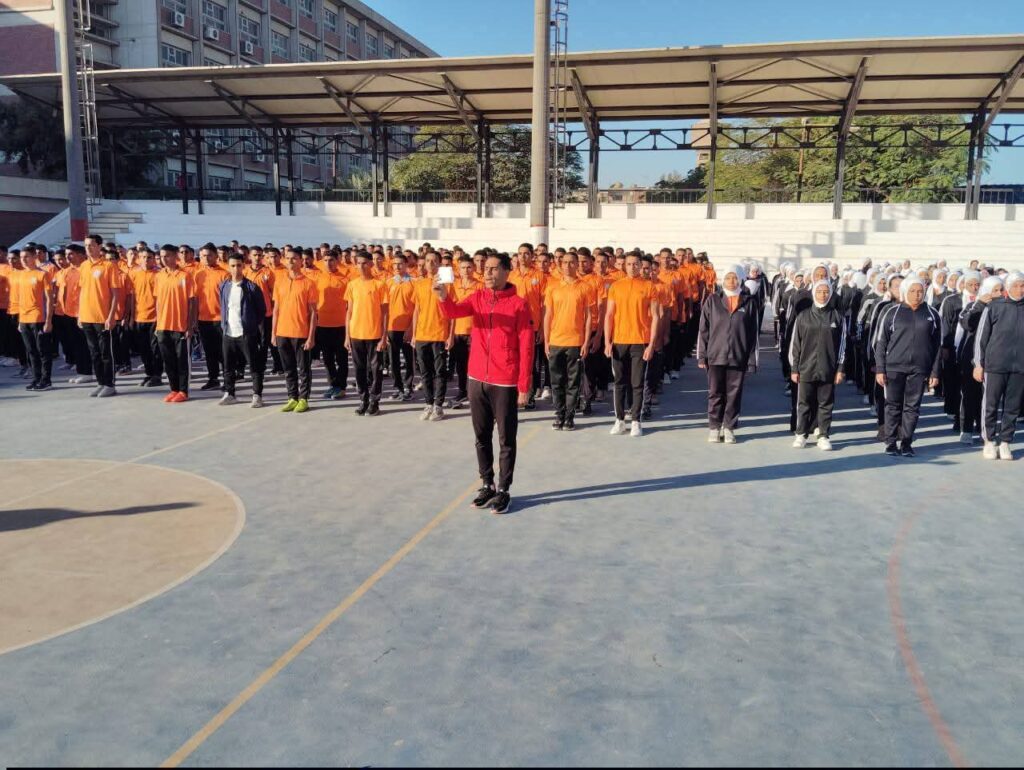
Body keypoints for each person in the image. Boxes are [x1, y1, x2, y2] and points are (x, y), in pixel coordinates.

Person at [437, 253, 533, 514]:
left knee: (506, 439)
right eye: (486, 268)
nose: (487, 273)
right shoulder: (477, 297)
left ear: (506, 271)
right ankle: (487, 484)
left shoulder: (519, 305)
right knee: (481, 436)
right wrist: (443, 296)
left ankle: (504, 489)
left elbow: (526, 346)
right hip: (477, 377)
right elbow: (454, 312)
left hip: (505, 380)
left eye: (493, 268)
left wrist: (524, 385)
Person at [875, 276, 942, 457]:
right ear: (905, 291)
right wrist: (880, 369)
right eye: (912, 291)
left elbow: (937, 346)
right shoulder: (892, 312)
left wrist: (935, 372)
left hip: (919, 369)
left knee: (912, 407)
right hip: (894, 368)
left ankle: (906, 443)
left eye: (920, 291)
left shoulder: (932, 314)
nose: (916, 295)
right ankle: (890, 442)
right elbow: (881, 343)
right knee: (892, 406)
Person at [697, 264, 760, 444]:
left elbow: (753, 334)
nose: (731, 281)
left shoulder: (749, 302)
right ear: (722, 280)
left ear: (741, 279)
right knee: (715, 393)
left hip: (738, 356)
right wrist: (702, 355)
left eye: (735, 278)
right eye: (728, 278)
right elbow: (703, 330)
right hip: (715, 355)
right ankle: (714, 427)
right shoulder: (713, 300)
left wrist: (752, 360)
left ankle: (729, 427)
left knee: (734, 394)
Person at [605, 253, 661, 437]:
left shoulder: (649, 286)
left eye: (635, 264)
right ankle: (619, 420)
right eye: (628, 264)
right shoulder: (616, 286)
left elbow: (655, 317)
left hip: (640, 341)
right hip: (619, 341)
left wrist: (651, 344)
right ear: (624, 266)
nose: (632, 267)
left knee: (637, 383)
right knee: (619, 382)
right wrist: (607, 341)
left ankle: (636, 420)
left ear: (640, 266)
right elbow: (609, 315)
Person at [789, 280, 847, 451]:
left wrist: (840, 369)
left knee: (826, 403)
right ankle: (801, 434)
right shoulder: (803, 316)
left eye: (826, 291)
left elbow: (843, 345)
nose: (823, 295)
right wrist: (794, 368)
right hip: (805, 368)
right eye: (820, 291)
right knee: (804, 403)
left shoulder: (837, 317)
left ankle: (823, 435)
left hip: (828, 368)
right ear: (814, 292)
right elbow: (796, 344)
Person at [974, 271, 1024, 460]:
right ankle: (989, 440)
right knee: (990, 404)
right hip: (995, 365)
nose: (1020, 290)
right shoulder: (994, 307)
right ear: (1007, 288)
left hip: (1019, 367)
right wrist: (978, 364)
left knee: (1012, 407)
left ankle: (1005, 442)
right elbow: (981, 337)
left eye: (1023, 286)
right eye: (1016, 286)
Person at [543, 251, 594, 431]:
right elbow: (548, 315)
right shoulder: (552, 287)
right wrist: (547, 341)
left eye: (571, 262)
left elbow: (588, 317)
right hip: (556, 341)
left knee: (573, 382)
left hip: (575, 342)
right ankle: (559, 413)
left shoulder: (585, 287)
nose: (567, 266)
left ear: (577, 264)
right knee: (557, 381)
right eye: (564, 262)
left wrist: (586, 341)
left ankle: (569, 416)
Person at [957, 276, 1004, 443]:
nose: (999, 293)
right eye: (995, 290)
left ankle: (985, 430)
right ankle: (966, 429)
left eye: (1001, 290)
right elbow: (966, 323)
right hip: (971, 357)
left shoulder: (1004, 307)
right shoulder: (973, 305)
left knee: (989, 397)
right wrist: (980, 304)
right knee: (969, 394)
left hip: (993, 358)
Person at [271, 249, 318, 413]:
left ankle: (304, 398)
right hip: (282, 332)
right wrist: (274, 333)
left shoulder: (309, 283)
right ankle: (292, 397)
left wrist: (311, 337)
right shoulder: (280, 281)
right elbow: (276, 310)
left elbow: (313, 313)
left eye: (294, 258)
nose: (290, 261)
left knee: (303, 369)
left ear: (300, 261)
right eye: (288, 258)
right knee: (288, 368)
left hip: (301, 333)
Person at [344, 251, 389, 416]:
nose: (361, 266)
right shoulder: (352, 284)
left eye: (364, 263)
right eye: (358, 263)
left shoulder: (379, 285)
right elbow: (349, 312)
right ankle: (363, 400)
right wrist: (347, 336)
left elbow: (385, 313)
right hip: (356, 334)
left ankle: (374, 402)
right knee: (359, 370)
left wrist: (383, 337)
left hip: (374, 334)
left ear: (371, 264)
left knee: (376, 370)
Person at [77, 234, 122, 397]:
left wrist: (111, 316)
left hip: (103, 317)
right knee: (94, 353)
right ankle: (100, 382)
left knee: (105, 353)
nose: (88, 248)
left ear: (99, 246)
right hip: (86, 316)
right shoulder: (83, 266)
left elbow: (116, 294)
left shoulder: (109, 266)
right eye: (86, 245)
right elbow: (82, 291)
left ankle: (110, 384)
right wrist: (79, 314)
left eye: (91, 245)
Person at [411, 251, 453, 421]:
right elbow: (416, 310)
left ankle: (438, 406)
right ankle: (428, 404)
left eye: (434, 261)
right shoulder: (419, 283)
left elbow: (452, 311)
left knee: (440, 372)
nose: (430, 264)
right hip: (422, 335)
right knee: (425, 373)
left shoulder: (447, 283)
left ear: (439, 263)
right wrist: (414, 334)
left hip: (439, 334)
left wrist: (450, 335)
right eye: (428, 261)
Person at [154, 245, 197, 402]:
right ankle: (174, 389)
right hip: (163, 326)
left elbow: (192, 301)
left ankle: (183, 391)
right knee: (168, 360)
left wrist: (190, 325)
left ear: (175, 256)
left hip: (180, 326)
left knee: (181, 360)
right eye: (162, 256)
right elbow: (158, 301)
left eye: (167, 256)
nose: (164, 259)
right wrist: (157, 323)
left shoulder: (185, 276)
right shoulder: (159, 276)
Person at [13, 246, 55, 391]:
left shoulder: (42, 274)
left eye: (26, 257)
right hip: (24, 319)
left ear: (34, 257)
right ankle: (36, 378)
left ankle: (46, 380)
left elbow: (49, 299)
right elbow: (20, 299)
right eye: (21, 257)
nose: (23, 260)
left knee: (42, 350)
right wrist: (20, 320)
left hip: (38, 317)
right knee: (31, 351)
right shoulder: (21, 275)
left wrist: (48, 320)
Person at [313, 252, 349, 400]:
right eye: (326, 260)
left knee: (341, 359)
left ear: (337, 261)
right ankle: (333, 385)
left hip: (340, 324)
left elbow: (350, 304)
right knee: (327, 359)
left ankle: (342, 387)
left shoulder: (345, 280)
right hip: (322, 324)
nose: (328, 263)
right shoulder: (318, 278)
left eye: (331, 260)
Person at [450, 255, 482, 409]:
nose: (466, 270)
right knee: (460, 365)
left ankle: (474, 393)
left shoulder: (480, 286)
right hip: (457, 330)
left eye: (469, 267)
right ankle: (462, 391)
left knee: (474, 365)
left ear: (474, 268)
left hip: (474, 331)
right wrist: (450, 334)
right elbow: (450, 309)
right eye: (463, 267)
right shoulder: (454, 286)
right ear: (458, 269)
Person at [194, 243, 227, 391]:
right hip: (203, 319)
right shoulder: (198, 274)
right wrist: (194, 320)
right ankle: (213, 379)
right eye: (203, 256)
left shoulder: (224, 274)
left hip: (221, 319)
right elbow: (194, 299)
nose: (206, 258)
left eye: (209, 255)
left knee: (224, 352)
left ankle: (228, 380)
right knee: (209, 352)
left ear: (215, 256)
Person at [128, 248, 163, 388]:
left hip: (155, 318)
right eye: (143, 257)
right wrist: (131, 317)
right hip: (139, 317)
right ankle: (149, 373)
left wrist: (160, 318)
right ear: (139, 258)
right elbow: (132, 297)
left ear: (154, 259)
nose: (146, 260)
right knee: (143, 349)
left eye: (149, 257)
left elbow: (161, 299)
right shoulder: (134, 273)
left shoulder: (159, 274)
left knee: (155, 349)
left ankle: (157, 375)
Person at [386, 253, 416, 401]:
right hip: (391, 327)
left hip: (408, 328)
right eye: (394, 264)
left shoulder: (414, 283)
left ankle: (408, 386)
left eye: (400, 264)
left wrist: (411, 328)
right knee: (394, 360)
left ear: (406, 265)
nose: (397, 266)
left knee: (409, 359)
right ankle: (397, 387)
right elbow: (384, 309)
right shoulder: (388, 283)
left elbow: (417, 308)